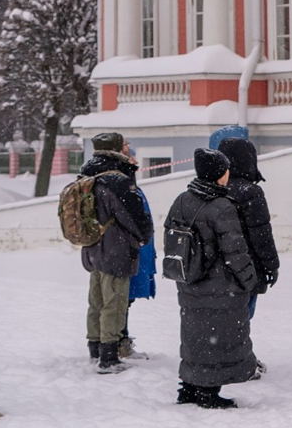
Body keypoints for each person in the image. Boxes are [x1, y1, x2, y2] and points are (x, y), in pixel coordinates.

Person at [164, 148, 259, 408]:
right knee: (218, 338)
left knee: (194, 335)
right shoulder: (221, 206)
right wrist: (250, 280)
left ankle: (189, 388)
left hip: (189, 282)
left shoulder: (183, 199)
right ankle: (208, 393)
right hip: (220, 285)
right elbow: (235, 251)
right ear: (219, 175)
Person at [78, 130, 153, 375]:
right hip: (116, 247)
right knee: (115, 301)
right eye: (125, 144)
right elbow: (131, 215)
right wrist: (144, 235)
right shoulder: (116, 179)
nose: (129, 148)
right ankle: (109, 357)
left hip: (93, 246)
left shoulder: (87, 173)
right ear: (116, 149)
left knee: (96, 300)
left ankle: (95, 346)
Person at [214, 133, 278, 375]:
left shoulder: (211, 188)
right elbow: (261, 233)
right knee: (242, 315)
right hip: (246, 266)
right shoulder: (250, 192)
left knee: (222, 315)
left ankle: (222, 354)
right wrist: (271, 265)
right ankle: (237, 359)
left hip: (216, 265)